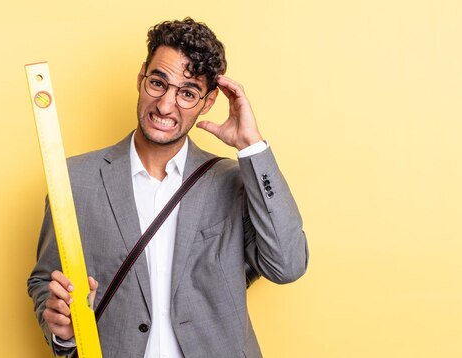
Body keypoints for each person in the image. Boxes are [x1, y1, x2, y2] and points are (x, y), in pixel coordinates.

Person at [28, 17, 309, 357]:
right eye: (158, 83)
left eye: (187, 94)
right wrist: (63, 331)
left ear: (207, 103)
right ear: (141, 77)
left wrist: (251, 146)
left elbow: (287, 264)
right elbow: (45, 281)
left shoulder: (232, 182)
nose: (164, 105)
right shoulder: (75, 179)